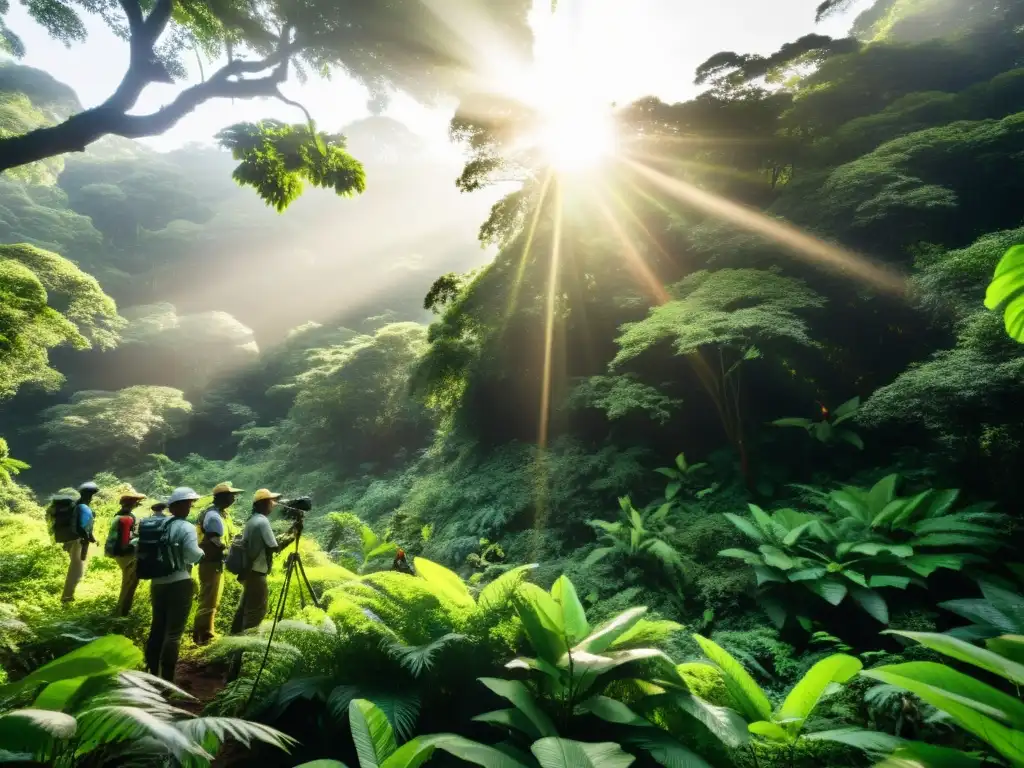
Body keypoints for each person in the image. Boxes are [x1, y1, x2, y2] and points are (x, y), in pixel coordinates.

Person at [145, 487, 203, 683]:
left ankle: (152, 674)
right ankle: (168, 680)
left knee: (157, 628)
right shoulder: (186, 527)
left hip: (157, 583)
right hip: (179, 582)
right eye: (188, 503)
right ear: (179, 506)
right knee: (173, 633)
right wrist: (203, 554)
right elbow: (193, 554)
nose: (190, 506)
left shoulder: (160, 524)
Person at [231, 489, 297, 634]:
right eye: (271, 501)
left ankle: (231, 644)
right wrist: (294, 533)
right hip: (257, 572)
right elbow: (275, 546)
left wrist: (290, 531)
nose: (273, 504)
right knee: (256, 612)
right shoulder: (262, 521)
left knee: (244, 610)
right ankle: (242, 650)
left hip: (249, 572)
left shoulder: (252, 520)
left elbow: (268, 543)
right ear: (263, 503)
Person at [192, 482, 242, 646]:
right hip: (211, 561)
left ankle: (206, 631)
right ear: (222, 497)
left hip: (213, 561)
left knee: (212, 597)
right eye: (231, 495)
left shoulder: (219, 513)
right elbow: (214, 539)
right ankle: (202, 635)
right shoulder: (213, 516)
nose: (234, 498)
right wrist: (227, 549)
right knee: (209, 598)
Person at [105, 489, 146, 617]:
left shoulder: (118, 515)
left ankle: (120, 611)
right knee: (129, 584)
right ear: (132, 503)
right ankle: (122, 614)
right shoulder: (127, 518)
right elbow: (124, 542)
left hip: (117, 554)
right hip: (125, 555)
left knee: (126, 583)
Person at [62, 481, 99, 603]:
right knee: (76, 570)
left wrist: (92, 538)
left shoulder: (78, 506)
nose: (91, 497)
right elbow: (81, 528)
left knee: (76, 569)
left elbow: (86, 526)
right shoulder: (83, 507)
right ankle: (67, 597)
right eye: (90, 494)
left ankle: (68, 595)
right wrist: (87, 538)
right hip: (78, 542)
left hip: (74, 541)